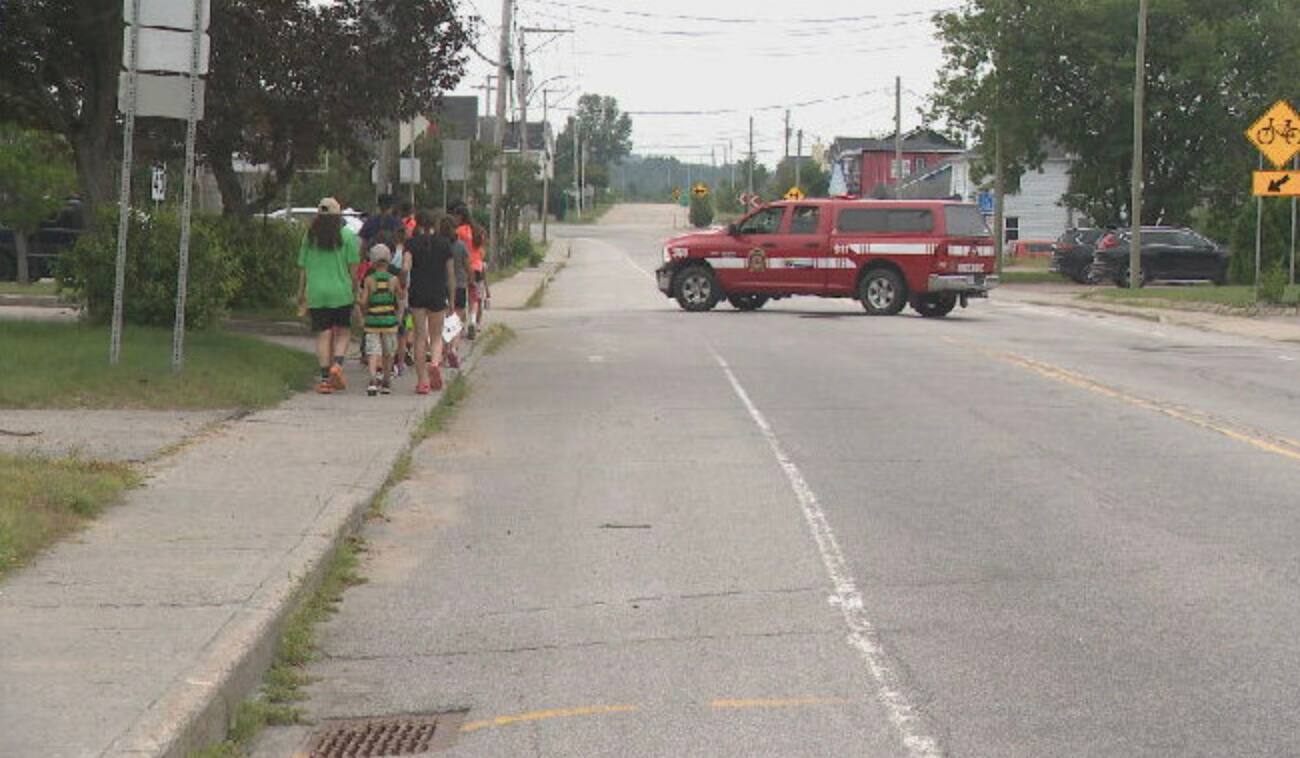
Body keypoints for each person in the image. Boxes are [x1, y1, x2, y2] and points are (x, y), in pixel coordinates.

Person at [297, 197, 361, 394]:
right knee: (343, 332)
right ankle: (338, 365)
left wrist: (301, 293)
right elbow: (353, 269)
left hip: (316, 292)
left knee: (323, 334)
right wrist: (355, 289)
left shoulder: (309, 237)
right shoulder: (347, 236)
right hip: (341, 292)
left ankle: (325, 379)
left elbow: (303, 269)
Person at [403, 211, 455, 394]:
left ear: (417, 224)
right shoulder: (444, 244)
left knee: (419, 337)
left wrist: (403, 282)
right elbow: (450, 275)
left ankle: (422, 382)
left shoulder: (411, 244)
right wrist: (453, 299)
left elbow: (405, 267)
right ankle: (434, 363)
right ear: (436, 224)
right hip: (437, 294)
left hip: (417, 294)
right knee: (436, 336)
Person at [359, 244, 404, 396]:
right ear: (389, 260)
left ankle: (372, 381)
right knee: (388, 352)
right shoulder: (394, 279)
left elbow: (364, 301)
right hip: (389, 322)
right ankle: (386, 381)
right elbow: (400, 297)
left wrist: (364, 312)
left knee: (373, 352)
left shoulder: (369, 280)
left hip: (372, 321)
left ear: (372, 261)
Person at [445, 206, 472, 370]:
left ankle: (442, 350)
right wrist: (472, 280)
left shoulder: (441, 245)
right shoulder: (461, 246)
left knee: (443, 321)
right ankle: (453, 349)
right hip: (460, 285)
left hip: (442, 286)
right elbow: (468, 266)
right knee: (456, 319)